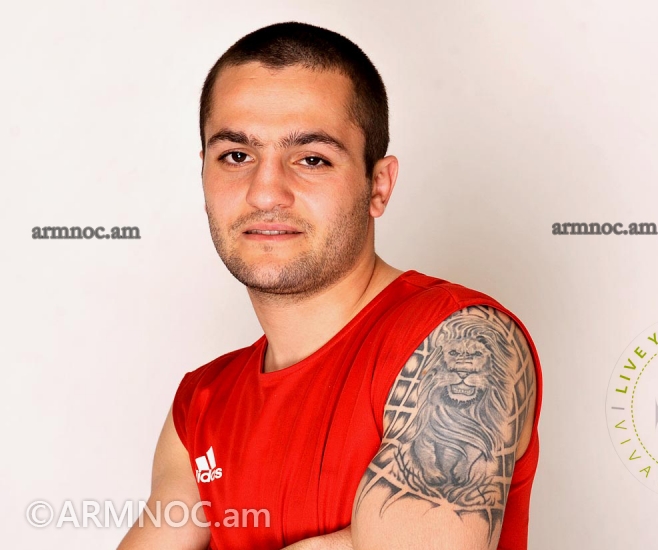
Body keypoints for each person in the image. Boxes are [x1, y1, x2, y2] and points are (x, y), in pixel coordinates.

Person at [118, 21, 542, 550]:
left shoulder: (462, 338)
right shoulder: (200, 405)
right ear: (203, 172)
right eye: (236, 156)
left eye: (312, 159)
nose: (265, 192)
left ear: (378, 186)